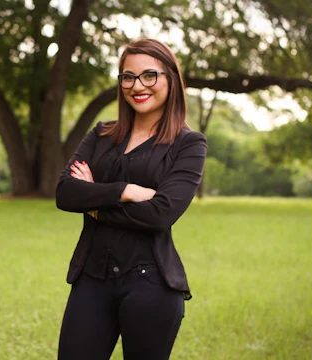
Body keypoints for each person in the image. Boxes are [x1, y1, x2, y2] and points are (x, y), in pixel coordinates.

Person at [55, 38, 207, 360]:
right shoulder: (101, 135)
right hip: (91, 280)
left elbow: (160, 214)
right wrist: (123, 191)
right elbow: (66, 193)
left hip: (151, 284)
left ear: (171, 80)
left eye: (149, 75)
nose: (137, 85)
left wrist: (94, 204)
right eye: (128, 76)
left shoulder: (189, 144)